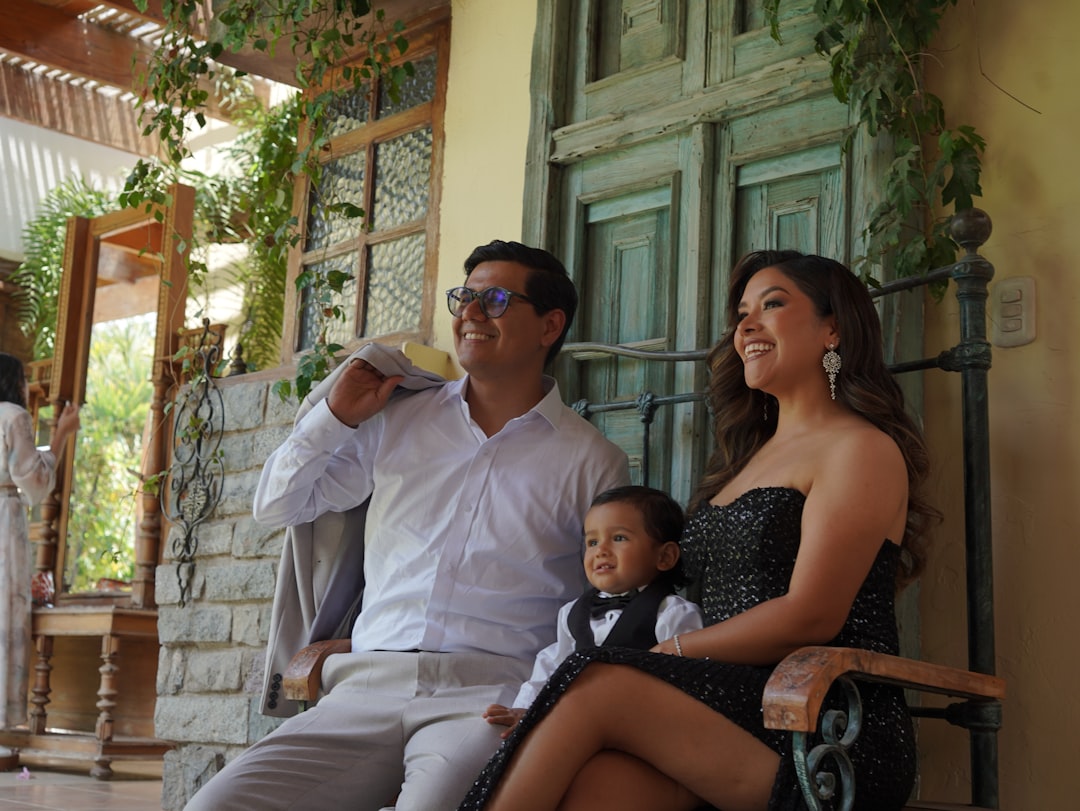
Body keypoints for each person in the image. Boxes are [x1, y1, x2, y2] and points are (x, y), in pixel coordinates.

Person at [456, 250, 938, 811]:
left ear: (833, 328)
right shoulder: (744, 463)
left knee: (595, 678)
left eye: (773, 304)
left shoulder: (861, 449)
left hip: (826, 724)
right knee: (594, 785)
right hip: (722, 706)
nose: (747, 325)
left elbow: (812, 614)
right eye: (741, 314)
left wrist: (668, 654)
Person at [183, 240, 630, 811]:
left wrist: (545, 698)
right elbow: (277, 505)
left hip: (487, 697)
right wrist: (335, 417)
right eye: (463, 298)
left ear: (550, 325)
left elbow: (602, 603)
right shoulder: (395, 418)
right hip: (361, 689)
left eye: (492, 299)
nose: (469, 313)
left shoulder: (593, 460)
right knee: (215, 806)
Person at [483, 485, 703, 738]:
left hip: (642, 732)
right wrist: (528, 707)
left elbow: (689, 684)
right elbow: (554, 664)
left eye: (619, 538)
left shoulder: (673, 614)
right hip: (576, 724)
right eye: (592, 541)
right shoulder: (572, 613)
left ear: (665, 556)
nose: (601, 550)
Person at [0, 353, 79, 731]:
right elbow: (30, 477)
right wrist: (61, 434)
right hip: (4, 517)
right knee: (5, 611)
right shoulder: (13, 416)